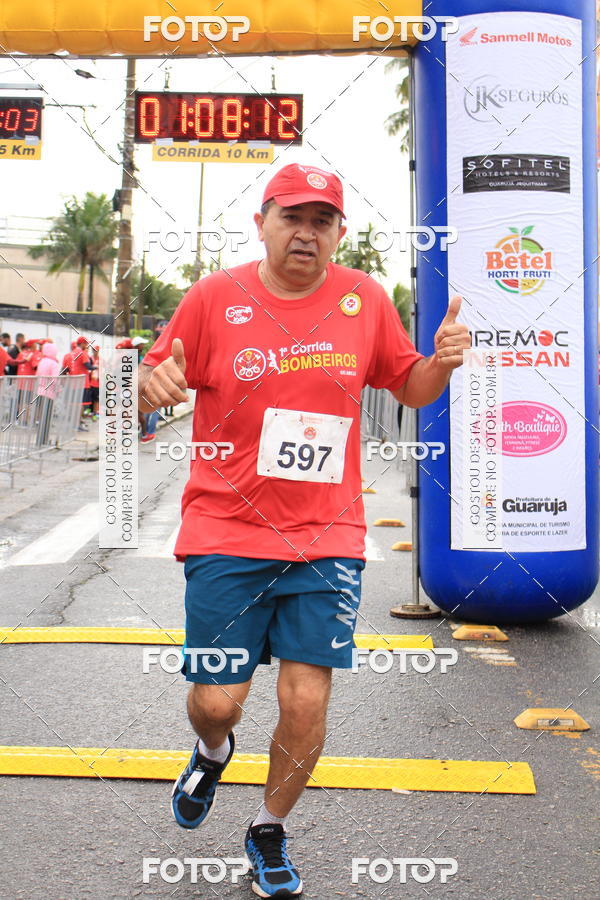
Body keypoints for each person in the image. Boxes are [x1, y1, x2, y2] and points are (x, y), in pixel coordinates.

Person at [137, 163, 471, 898]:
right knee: (217, 699)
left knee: (306, 698)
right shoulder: (213, 298)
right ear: (262, 222)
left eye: (323, 220)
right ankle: (211, 749)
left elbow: (405, 383)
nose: (306, 232)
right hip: (225, 528)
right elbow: (154, 378)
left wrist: (440, 366)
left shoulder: (364, 299)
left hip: (327, 534)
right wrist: (147, 384)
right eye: (293, 216)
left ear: (339, 234)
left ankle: (267, 829)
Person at [35, 341, 60, 445]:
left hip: (39, 392)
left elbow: (37, 375)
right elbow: (55, 380)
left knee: (42, 418)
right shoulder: (54, 363)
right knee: (47, 418)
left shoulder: (42, 361)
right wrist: (58, 390)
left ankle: (39, 440)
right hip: (49, 393)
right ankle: (44, 441)